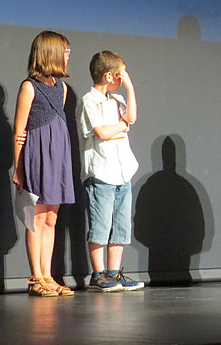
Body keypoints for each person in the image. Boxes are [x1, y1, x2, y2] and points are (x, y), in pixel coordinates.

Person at [12, 30, 75, 297]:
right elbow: (19, 131)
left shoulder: (62, 88)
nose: (68, 55)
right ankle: (35, 277)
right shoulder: (29, 87)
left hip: (57, 156)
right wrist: (18, 168)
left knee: (51, 218)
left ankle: (48, 276)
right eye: (65, 51)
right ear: (51, 53)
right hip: (37, 156)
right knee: (36, 218)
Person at [80, 51, 144, 291]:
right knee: (101, 225)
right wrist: (121, 126)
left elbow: (132, 118)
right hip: (102, 172)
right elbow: (102, 132)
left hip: (122, 171)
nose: (123, 79)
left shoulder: (117, 98)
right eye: (121, 75)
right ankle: (98, 274)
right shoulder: (89, 100)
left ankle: (114, 273)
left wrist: (130, 89)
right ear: (109, 76)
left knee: (120, 225)